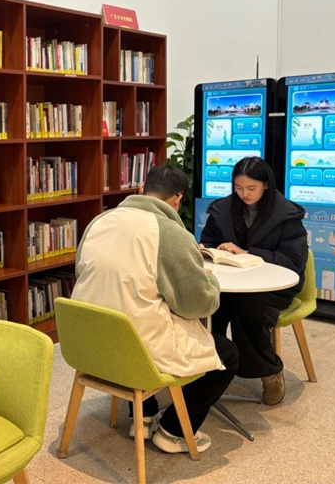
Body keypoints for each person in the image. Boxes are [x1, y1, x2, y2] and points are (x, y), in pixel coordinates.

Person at [71, 165, 238, 454]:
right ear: (178, 199)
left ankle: (143, 415)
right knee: (228, 354)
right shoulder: (170, 233)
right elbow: (197, 304)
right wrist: (209, 280)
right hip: (136, 351)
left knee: (127, 309)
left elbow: (83, 273)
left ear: (141, 190)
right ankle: (173, 431)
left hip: (89, 345)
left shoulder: (99, 221)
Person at [201, 156, 307, 405]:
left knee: (246, 306)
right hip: (229, 282)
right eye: (238, 188)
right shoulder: (222, 210)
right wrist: (209, 249)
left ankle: (268, 371)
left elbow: (293, 260)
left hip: (273, 286)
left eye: (251, 188)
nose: (244, 194)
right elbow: (208, 240)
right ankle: (209, 366)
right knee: (206, 303)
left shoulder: (286, 215)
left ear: (266, 185)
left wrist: (248, 254)